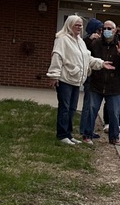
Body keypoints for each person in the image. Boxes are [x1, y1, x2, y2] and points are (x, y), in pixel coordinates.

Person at [46, 15, 111, 145]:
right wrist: (54, 75)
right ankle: (62, 134)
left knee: (72, 108)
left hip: (76, 80)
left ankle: (68, 135)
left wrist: (101, 63)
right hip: (65, 79)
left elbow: (87, 57)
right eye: (76, 24)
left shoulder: (80, 41)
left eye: (81, 25)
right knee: (64, 107)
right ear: (69, 25)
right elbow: (57, 57)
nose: (79, 27)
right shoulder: (62, 40)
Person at [83, 20, 120, 146]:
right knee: (92, 109)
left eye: (110, 28)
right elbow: (84, 55)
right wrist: (88, 40)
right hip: (97, 83)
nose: (107, 30)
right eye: (105, 28)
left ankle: (114, 137)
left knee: (114, 113)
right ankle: (87, 135)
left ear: (115, 30)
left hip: (115, 85)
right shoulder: (96, 43)